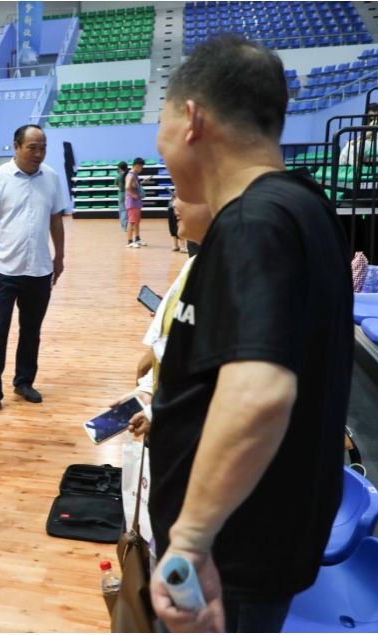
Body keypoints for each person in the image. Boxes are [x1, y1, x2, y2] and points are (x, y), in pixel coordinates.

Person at [150, 35, 352, 633]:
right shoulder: (302, 205)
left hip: (225, 564)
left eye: (161, 122)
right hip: (260, 543)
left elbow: (260, 392)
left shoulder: (253, 223)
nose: (159, 143)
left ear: (191, 119)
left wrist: (190, 543)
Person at [0, 124, 67, 419]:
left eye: (43, 148)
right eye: (32, 148)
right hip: (4, 270)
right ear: (16, 147)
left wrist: (59, 257)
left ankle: (24, 382)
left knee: (31, 331)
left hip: (39, 270)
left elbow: (56, 220)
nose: (38, 154)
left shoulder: (51, 178)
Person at [111, 196, 213, 438]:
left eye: (183, 195)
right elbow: (171, 349)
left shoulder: (230, 278)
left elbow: (215, 376)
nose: (174, 204)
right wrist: (148, 390)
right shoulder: (193, 266)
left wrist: (159, 412)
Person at [338, 102, 378, 166]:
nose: (372, 118)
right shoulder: (376, 121)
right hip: (374, 144)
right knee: (349, 147)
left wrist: (352, 141)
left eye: (372, 115)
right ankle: (345, 166)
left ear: (377, 111)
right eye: (371, 117)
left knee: (355, 145)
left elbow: (369, 133)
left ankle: (353, 166)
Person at [125, 157, 147, 248]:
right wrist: (134, 195)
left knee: (137, 221)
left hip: (136, 202)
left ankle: (137, 239)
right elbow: (127, 187)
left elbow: (134, 186)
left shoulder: (135, 175)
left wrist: (142, 182)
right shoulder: (131, 175)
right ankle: (129, 241)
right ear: (137, 166)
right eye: (141, 167)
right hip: (132, 202)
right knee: (131, 222)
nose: (141, 169)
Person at [116, 160, 129, 233]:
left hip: (121, 195)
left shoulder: (118, 176)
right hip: (129, 194)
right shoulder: (129, 175)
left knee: (123, 211)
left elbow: (116, 185)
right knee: (129, 210)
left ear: (120, 168)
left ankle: (124, 227)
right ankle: (131, 225)